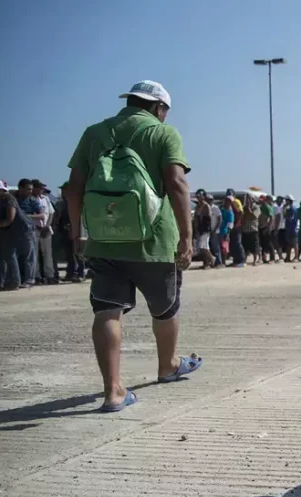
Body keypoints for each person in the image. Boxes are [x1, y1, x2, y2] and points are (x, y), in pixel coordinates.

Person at [65, 80, 202, 412]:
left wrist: (78, 234)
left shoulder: (94, 133)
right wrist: (186, 237)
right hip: (153, 241)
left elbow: (73, 187)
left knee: (107, 311)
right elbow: (177, 183)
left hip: (104, 240)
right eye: (165, 111)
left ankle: (113, 391)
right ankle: (168, 365)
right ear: (158, 107)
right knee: (165, 309)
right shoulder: (162, 133)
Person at [0, 180, 34, 290]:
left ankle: (15, 281)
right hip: (7, 231)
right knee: (4, 256)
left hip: (22, 230)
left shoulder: (9, 199)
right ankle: (3, 282)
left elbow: (10, 219)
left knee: (12, 255)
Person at [12, 179, 41, 287]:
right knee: (16, 256)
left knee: (29, 256)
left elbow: (42, 215)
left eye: (31, 189)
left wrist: (24, 216)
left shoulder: (32, 201)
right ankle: (18, 279)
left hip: (28, 231)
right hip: (13, 231)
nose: (30, 191)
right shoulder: (13, 199)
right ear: (20, 188)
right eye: (28, 189)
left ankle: (29, 279)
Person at [194, 191, 214, 269]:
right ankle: (207, 263)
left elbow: (208, 218)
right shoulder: (197, 206)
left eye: (200, 196)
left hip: (205, 229)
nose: (198, 197)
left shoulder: (206, 206)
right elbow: (196, 217)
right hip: (200, 228)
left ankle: (211, 258)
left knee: (203, 246)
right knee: (203, 247)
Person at [227, 189, 245, 266]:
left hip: (237, 226)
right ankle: (236, 260)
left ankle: (242, 260)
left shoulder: (236, 201)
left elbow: (241, 212)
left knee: (238, 242)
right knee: (233, 243)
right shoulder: (229, 202)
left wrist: (238, 223)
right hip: (232, 225)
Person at [241, 196, 261, 266]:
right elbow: (242, 217)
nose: (247, 200)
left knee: (254, 246)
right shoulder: (244, 208)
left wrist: (249, 209)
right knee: (245, 246)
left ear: (252, 200)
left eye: (249, 199)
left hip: (253, 229)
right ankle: (245, 260)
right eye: (246, 199)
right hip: (245, 229)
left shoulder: (256, 207)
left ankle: (255, 260)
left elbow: (254, 216)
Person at [259, 196, 276, 264]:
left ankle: (272, 258)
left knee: (269, 243)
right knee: (263, 244)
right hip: (261, 227)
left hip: (266, 227)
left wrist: (268, 227)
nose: (261, 201)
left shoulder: (268, 207)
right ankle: (264, 258)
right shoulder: (260, 207)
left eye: (262, 200)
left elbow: (271, 218)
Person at [281, 196, 298, 263]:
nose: (285, 201)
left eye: (286, 200)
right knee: (288, 244)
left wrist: (285, 215)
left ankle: (296, 257)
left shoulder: (292, 208)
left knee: (294, 243)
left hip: (293, 228)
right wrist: (284, 209)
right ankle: (288, 257)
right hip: (288, 228)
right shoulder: (288, 208)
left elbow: (290, 218)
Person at [219, 197, 235, 263]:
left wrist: (227, 233)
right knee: (220, 247)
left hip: (225, 231)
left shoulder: (230, 212)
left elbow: (230, 224)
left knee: (224, 247)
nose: (226, 202)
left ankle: (224, 261)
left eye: (228, 201)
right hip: (219, 230)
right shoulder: (222, 210)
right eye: (226, 201)